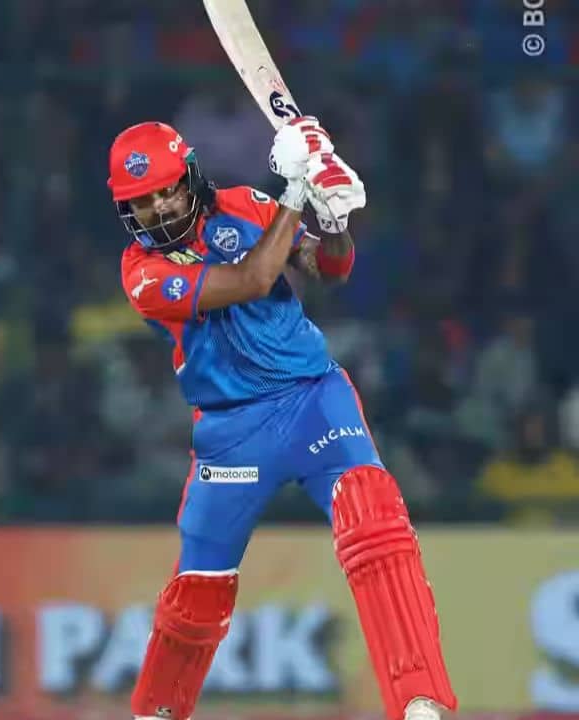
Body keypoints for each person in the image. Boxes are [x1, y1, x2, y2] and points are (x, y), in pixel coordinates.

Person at [110, 119, 457, 720]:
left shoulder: (244, 204)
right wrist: (296, 188)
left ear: (190, 175)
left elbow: (329, 268)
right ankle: (156, 711)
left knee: (374, 514)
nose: (159, 207)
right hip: (232, 431)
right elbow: (252, 279)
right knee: (199, 590)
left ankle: (418, 699)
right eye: (143, 201)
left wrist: (334, 219)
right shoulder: (141, 272)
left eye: (167, 190)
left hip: (312, 398)